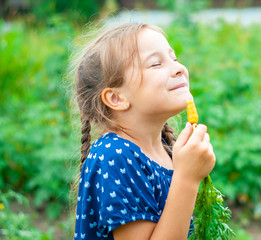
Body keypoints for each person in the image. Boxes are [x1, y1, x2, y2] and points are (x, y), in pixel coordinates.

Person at [71, 22, 216, 240]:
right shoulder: (114, 156)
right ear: (117, 98)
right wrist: (187, 178)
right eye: (156, 64)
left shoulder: (167, 150)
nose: (179, 68)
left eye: (174, 58)